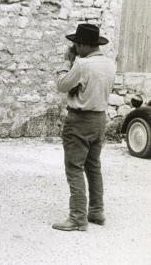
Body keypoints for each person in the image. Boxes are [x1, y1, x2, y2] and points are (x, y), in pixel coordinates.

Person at [52, 23, 116, 232]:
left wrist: (67, 62)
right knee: (93, 167)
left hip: (79, 120)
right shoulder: (109, 64)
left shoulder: (82, 65)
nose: (75, 49)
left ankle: (78, 217)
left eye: (77, 45)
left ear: (83, 45)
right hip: (99, 119)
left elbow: (62, 85)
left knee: (74, 168)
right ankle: (96, 212)